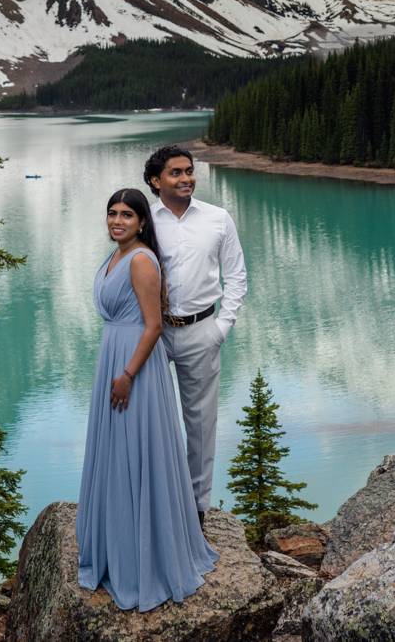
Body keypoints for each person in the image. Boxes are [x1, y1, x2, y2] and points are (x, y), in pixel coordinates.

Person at [77, 188, 218, 611]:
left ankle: (145, 558)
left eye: (126, 215)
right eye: (111, 214)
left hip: (134, 366)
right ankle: (116, 549)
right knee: (117, 452)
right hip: (114, 357)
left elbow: (154, 326)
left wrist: (127, 375)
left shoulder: (140, 260)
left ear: (141, 222)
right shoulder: (115, 258)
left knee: (138, 453)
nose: (117, 221)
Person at [144, 145, 248, 529]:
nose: (186, 178)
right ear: (156, 181)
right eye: (176, 172)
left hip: (202, 329)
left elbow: (236, 276)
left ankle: (196, 508)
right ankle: (154, 499)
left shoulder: (218, 219)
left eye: (189, 171)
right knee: (149, 416)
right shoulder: (145, 221)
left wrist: (222, 327)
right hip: (153, 333)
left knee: (201, 423)